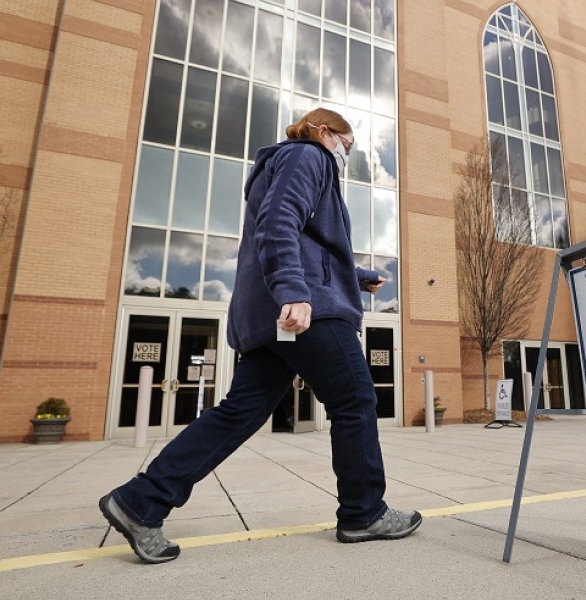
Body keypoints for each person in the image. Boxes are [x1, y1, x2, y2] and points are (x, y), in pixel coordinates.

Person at [99, 108, 421, 564]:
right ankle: (364, 512)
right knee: (355, 401)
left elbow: (310, 243)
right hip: (306, 308)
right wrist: (294, 289)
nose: (345, 155)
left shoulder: (283, 163)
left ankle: (140, 501)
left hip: (271, 313)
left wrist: (358, 275)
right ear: (324, 132)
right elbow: (280, 220)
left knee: (240, 412)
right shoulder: (309, 156)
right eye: (346, 146)